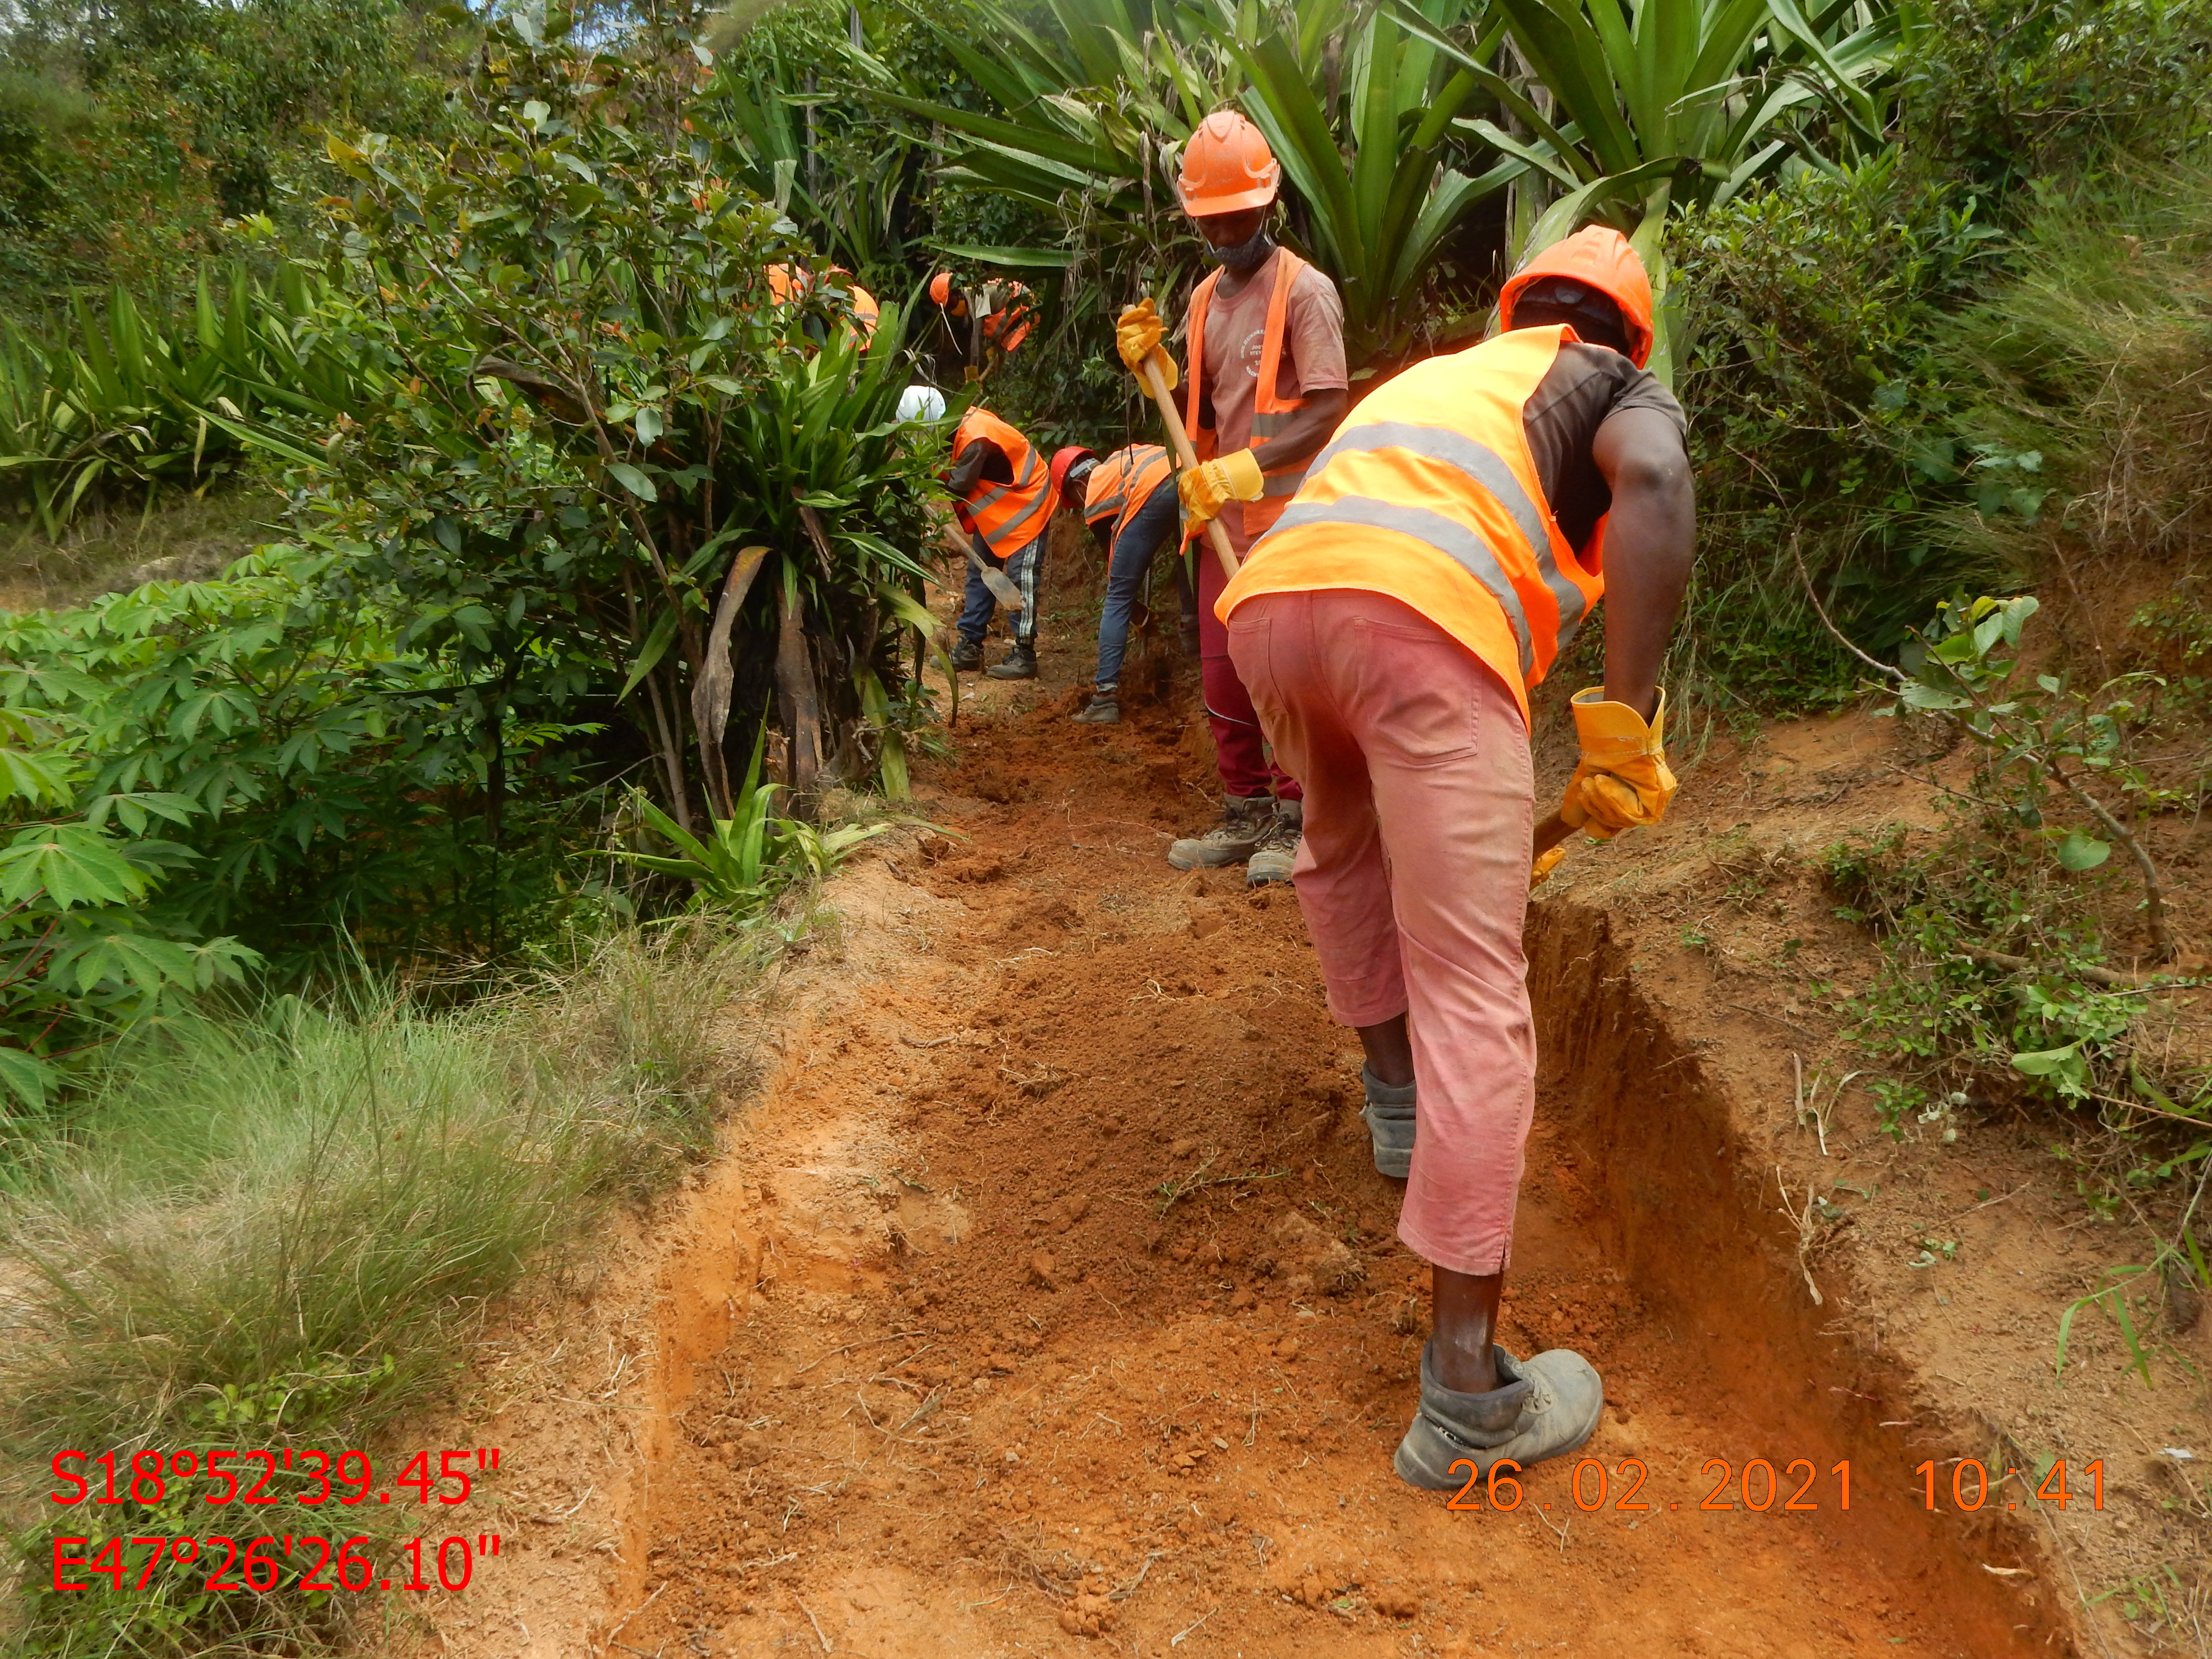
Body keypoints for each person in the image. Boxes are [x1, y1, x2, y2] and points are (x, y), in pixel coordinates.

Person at [1214, 226, 1696, 1487]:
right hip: (1416, 623)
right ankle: (1469, 1399)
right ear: (1626, 332)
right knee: (1479, 997)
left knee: (1342, 854)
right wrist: (1625, 726)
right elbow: (1652, 485)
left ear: (1514, 310)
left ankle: (1398, 1113)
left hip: (1276, 610)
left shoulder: (1445, 375)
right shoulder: (1612, 379)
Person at [1115, 110, 1348, 886]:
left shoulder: (1306, 292)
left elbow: (1325, 406)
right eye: (1211, 223)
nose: (1225, 233)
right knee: (1223, 674)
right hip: (1218, 520)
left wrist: (1249, 469)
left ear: (1268, 205)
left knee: (1281, 673)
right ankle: (1242, 811)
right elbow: (1204, 414)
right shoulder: (1202, 300)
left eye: (1238, 218)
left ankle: (1295, 816)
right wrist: (1160, 370)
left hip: (1286, 521)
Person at [943, 409, 1092, 680]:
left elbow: (960, 485)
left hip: (1029, 504)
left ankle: (1024, 653)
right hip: (999, 507)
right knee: (980, 573)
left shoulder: (975, 438)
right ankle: (969, 647)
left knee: (1020, 576)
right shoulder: (961, 428)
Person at [1070, 443, 1184, 725]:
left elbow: (1116, 572)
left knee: (1117, 597)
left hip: (1152, 491)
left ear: (1078, 483)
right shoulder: (1122, 459)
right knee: (1187, 550)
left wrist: (1133, 610)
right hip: (1188, 470)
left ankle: (1105, 699)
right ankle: (1192, 636)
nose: (1079, 504)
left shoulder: (1094, 494)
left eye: (1074, 498)